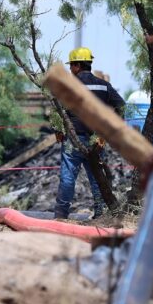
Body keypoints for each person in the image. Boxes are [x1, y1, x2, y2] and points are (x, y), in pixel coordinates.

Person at [55, 47, 125, 220]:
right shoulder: (103, 86)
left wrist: (57, 130)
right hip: (96, 141)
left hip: (73, 139)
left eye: (71, 66)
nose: (70, 70)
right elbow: (122, 106)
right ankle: (100, 214)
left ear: (77, 65)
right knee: (96, 178)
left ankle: (61, 215)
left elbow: (57, 110)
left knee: (68, 177)